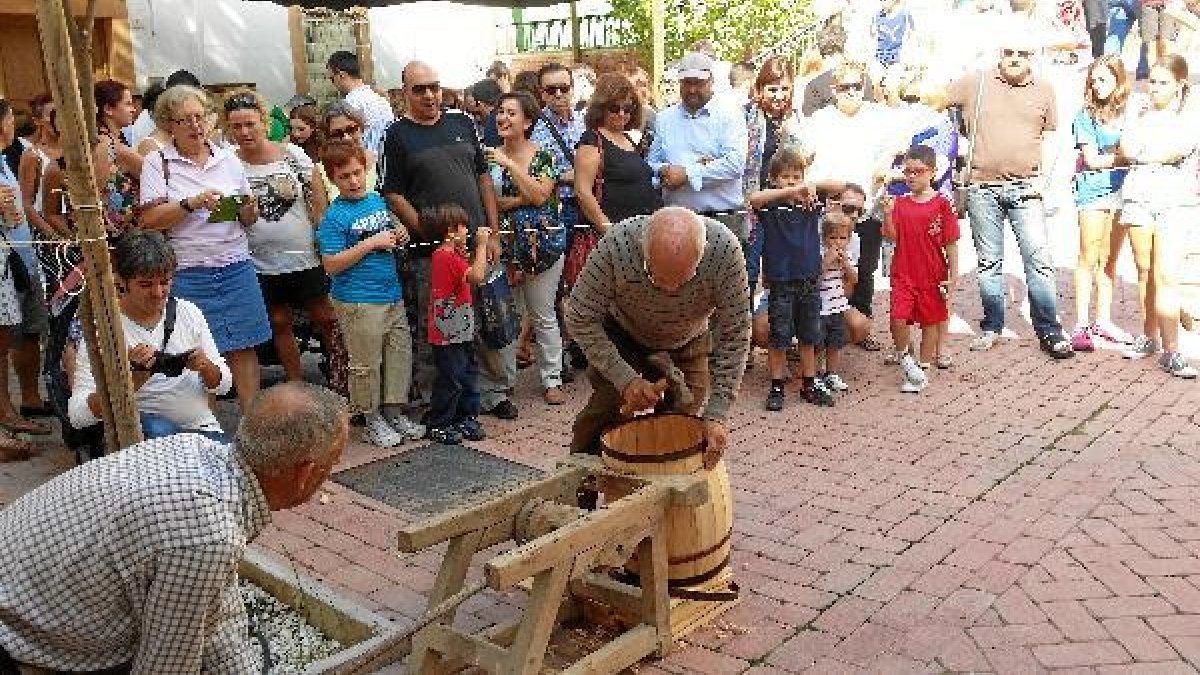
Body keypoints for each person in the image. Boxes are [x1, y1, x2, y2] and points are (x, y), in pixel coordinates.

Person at [0, 382, 349, 673]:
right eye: (332, 463)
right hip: (12, 633)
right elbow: (165, 667)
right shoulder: (208, 534)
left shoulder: (196, 447)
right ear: (305, 472)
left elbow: (214, 611)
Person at [566, 206, 750, 462]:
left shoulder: (725, 251)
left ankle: (657, 489)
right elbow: (579, 315)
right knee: (606, 407)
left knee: (683, 422)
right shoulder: (616, 245)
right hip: (623, 333)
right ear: (643, 247)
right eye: (657, 278)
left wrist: (718, 413)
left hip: (689, 338)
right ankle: (578, 481)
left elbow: (735, 333)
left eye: (683, 280)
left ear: (702, 254)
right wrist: (625, 378)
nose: (670, 290)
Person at [380, 61, 503, 415]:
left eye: (434, 86)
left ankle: (483, 399)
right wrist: (424, 228)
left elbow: (483, 179)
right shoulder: (397, 134)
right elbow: (393, 192)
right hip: (432, 256)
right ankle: (438, 405)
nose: (429, 95)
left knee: (483, 324)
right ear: (405, 92)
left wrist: (491, 233)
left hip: (476, 246)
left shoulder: (462, 122)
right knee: (439, 330)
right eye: (420, 89)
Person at [139, 84, 270, 410]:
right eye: (185, 120)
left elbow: (247, 218)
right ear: (169, 124)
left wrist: (247, 208)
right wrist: (190, 203)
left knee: (244, 346)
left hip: (235, 265)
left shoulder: (228, 159)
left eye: (200, 117)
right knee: (195, 352)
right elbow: (151, 219)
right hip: (188, 270)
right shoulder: (158, 163)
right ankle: (206, 428)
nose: (196, 125)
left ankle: (252, 424)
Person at [945, 33, 1074, 359]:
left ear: (1032, 56)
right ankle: (992, 325)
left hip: (1026, 187)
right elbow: (935, 99)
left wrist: (1045, 182)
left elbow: (1053, 138)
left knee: (1039, 260)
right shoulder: (976, 82)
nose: (1015, 57)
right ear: (998, 53)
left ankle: (1049, 328)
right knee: (989, 264)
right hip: (981, 188)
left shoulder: (1044, 90)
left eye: (1022, 52)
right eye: (1009, 52)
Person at [225, 90, 348, 397]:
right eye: (237, 126)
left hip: (304, 254)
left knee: (326, 316)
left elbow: (317, 196)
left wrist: (325, 237)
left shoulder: (292, 154)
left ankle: (344, 378)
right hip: (258, 260)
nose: (244, 132)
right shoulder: (226, 162)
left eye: (250, 124)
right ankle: (297, 385)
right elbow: (224, 213)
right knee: (279, 321)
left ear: (264, 123)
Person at [68, 230, 232, 440]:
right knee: (157, 430)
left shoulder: (188, 312)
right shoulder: (105, 329)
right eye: (146, 284)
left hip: (200, 430)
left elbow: (224, 385)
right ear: (121, 282)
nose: (158, 293)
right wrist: (130, 379)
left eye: (165, 282)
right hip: (144, 439)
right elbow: (78, 415)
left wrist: (205, 366)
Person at [318, 139, 425, 446]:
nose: (353, 181)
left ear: (366, 170)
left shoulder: (378, 200)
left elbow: (391, 229)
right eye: (344, 176)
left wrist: (400, 231)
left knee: (398, 354)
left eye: (357, 173)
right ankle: (371, 417)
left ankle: (393, 411)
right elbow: (331, 265)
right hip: (357, 299)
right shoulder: (334, 217)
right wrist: (370, 244)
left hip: (390, 294)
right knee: (365, 363)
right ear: (333, 179)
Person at [802, 62, 904, 329]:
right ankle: (817, 324)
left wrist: (885, 171)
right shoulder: (820, 119)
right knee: (823, 266)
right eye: (844, 86)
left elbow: (899, 145)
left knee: (864, 270)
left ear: (865, 87)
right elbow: (803, 156)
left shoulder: (880, 117)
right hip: (829, 208)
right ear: (834, 89)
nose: (851, 91)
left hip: (864, 207)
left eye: (857, 86)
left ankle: (861, 322)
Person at [1116, 55, 1198, 378]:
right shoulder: (1138, 113)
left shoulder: (1190, 117)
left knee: (1167, 274)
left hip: (1173, 201)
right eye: (1152, 81)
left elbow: (1176, 149)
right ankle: (1148, 335)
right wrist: (1146, 153)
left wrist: (1146, 153)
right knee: (1145, 270)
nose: (1155, 88)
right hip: (1139, 196)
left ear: (1179, 85)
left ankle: (1172, 350)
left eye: (1163, 82)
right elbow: (1127, 147)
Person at [491, 91, 568, 405]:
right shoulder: (488, 158)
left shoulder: (543, 156)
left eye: (511, 113)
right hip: (504, 245)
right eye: (500, 111)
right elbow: (492, 202)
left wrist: (510, 166)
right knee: (505, 313)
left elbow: (539, 196)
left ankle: (552, 378)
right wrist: (522, 197)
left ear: (528, 121)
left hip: (542, 245)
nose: (503, 118)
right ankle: (505, 380)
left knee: (542, 313)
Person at [749, 148, 833, 410]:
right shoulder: (771, 205)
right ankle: (776, 385)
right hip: (780, 281)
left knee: (809, 335)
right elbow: (752, 198)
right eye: (785, 177)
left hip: (808, 279)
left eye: (796, 176)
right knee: (779, 336)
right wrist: (788, 192)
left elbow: (841, 185)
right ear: (774, 179)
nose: (792, 181)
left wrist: (807, 186)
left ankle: (809, 383)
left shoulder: (811, 202)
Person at [646, 52, 749, 248]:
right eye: (687, 83)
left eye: (698, 83)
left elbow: (735, 164)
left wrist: (687, 173)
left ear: (711, 81)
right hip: (677, 223)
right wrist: (665, 173)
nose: (692, 89)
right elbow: (651, 163)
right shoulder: (665, 118)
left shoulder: (730, 115)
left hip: (723, 220)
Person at [883, 145, 960, 393]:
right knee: (898, 318)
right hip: (903, 273)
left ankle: (924, 367)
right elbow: (891, 236)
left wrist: (954, 274)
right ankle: (906, 357)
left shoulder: (942, 204)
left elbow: (950, 242)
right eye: (908, 172)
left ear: (932, 173)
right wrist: (886, 214)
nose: (912, 176)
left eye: (918, 171)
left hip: (932, 274)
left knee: (930, 323)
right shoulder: (899, 203)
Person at [1071, 55, 1132, 352]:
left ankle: (1103, 320)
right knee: (1087, 256)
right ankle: (1081, 323)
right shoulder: (1085, 115)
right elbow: (1092, 160)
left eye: (1103, 79)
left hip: (1124, 190)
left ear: (1118, 80)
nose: (1097, 85)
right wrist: (1127, 156)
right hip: (1093, 191)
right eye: (1093, 80)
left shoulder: (1130, 112)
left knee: (1110, 259)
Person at [424, 204, 491, 444]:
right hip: (448, 331)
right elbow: (476, 276)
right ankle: (440, 422)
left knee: (468, 373)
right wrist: (482, 245)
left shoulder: (453, 254)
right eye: (461, 226)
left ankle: (466, 417)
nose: (467, 230)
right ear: (449, 232)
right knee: (451, 377)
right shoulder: (445, 255)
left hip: (460, 328)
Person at [743, 57, 807, 294]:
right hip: (754, 209)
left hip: (785, 209)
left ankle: (775, 327)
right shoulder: (746, 117)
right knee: (748, 272)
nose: (779, 95)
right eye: (772, 89)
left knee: (782, 275)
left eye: (784, 89)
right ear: (760, 89)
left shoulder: (797, 119)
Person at [0, 99, 42, 460]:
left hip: (14, 262)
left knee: (6, 345)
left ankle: (7, 413)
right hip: (3, 265)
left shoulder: (3, 160)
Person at [574, 73, 661, 232]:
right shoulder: (592, 140)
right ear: (601, 108)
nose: (621, 114)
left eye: (627, 108)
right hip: (613, 238)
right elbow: (582, 192)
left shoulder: (630, 139)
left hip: (640, 232)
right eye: (614, 108)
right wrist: (610, 232)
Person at [816, 212, 858, 394]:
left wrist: (846, 265)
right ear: (824, 238)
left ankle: (831, 373)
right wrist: (826, 262)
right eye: (833, 237)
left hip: (837, 307)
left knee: (834, 343)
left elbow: (854, 279)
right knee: (817, 343)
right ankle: (815, 375)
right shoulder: (819, 254)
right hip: (819, 309)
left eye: (843, 238)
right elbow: (814, 280)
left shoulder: (847, 255)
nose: (838, 242)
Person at [327, 50, 394, 156]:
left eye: (332, 79)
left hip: (368, 162)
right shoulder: (379, 98)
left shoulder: (350, 104)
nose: (333, 84)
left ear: (341, 75)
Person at [801, 23, 877, 116]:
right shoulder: (862, 78)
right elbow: (870, 110)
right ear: (845, 48)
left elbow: (809, 120)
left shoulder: (813, 85)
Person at [319, 102, 377, 199]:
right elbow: (320, 213)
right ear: (327, 137)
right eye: (337, 134)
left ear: (361, 128)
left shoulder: (379, 160)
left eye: (351, 129)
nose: (346, 138)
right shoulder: (320, 171)